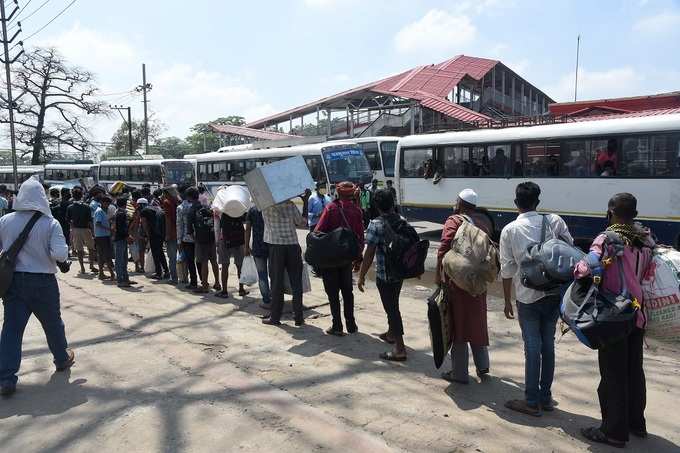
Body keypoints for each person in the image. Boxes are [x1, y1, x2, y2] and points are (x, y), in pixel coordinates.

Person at [576, 193, 654, 448]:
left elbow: (586, 268)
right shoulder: (645, 237)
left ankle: (613, 432)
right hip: (638, 312)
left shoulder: (607, 238)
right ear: (635, 214)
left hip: (615, 316)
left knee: (613, 375)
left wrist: (576, 268)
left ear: (610, 212)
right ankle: (635, 424)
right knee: (634, 371)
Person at [499, 182, 573, 416]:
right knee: (548, 345)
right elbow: (569, 248)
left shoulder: (510, 230)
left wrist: (507, 300)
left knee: (532, 347)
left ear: (515, 203)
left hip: (527, 296)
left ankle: (531, 401)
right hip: (553, 292)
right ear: (537, 202)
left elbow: (507, 270)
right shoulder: (554, 221)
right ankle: (545, 397)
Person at [0, 177, 74, 396]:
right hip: (43, 283)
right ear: (42, 197)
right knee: (53, 324)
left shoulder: (5, 221)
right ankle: (61, 359)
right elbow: (59, 254)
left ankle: (6, 378)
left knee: (12, 330)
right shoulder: (50, 223)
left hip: (14, 282)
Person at [436, 189, 493, 384]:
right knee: (477, 321)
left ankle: (459, 373)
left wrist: (439, 276)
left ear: (460, 203)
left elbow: (443, 249)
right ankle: (483, 366)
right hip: (478, 282)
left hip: (457, 283)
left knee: (458, 325)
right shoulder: (483, 222)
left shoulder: (454, 220)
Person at [358, 189, 408, 361]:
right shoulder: (402, 220)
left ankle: (400, 349)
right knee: (392, 304)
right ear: (392, 203)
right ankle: (391, 334)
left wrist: (361, 275)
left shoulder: (375, 224)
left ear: (377, 206)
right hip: (399, 272)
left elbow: (369, 253)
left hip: (384, 274)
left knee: (392, 309)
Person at [315, 181, 365, 336]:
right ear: (352, 194)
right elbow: (360, 238)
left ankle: (337, 325)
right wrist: (358, 259)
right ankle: (351, 325)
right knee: (347, 292)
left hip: (330, 259)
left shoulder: (330, 208)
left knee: (333, 293)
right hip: (346, 259)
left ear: (338, 193)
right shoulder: (357, 211)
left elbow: (318, 232)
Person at [261, 198, 307, 327]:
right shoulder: (290, 205)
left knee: (276, 283)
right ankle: (298, 316)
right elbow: (302, 223)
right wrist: (306, 201)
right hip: (292, 245)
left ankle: (275, 317)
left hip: (275, 247)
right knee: (296, 282)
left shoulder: (265, 206)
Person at [216, 211, 249, 299]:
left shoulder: (224, 213)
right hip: (238, 241)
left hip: (226, 241)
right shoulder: (239, 211)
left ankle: (224, 291)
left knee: (225, 266)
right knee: (239, 266)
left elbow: (220, 227)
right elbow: (244, 221)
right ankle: (241, 289)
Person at [188, 196, 217, 293]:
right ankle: (217, 283)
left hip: (201, 240)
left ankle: (204, 286)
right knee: (214, 261)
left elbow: (190, 230)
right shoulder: (209, 210)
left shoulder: (193, 211)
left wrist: (195, 240)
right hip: (212, 239)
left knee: (204, 262)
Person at [245, 205, 270, 309]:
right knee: (274, 274)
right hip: (272, 245)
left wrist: (246, 247)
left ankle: (266, 301)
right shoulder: (269, 207)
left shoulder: (252, 210)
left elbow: (248, 230)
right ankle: (276, 298)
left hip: (258, 247)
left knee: (262, 275)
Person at [66, 187, 97, 274]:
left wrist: (72, 229)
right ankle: (91, 265)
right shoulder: (86, 207)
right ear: (82, 195)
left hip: (75, 229)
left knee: (79, 249)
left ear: (73, 196)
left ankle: (82, 268)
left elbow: (68, 220)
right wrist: (93, 232)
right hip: (86, 229)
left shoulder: (70, 207)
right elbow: (90, 220)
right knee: (91, 248)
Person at [140, 198, 169, 280]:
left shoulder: (144, 211)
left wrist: (147, 235)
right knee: (160, 253)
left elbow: (144, 223)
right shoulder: (158, 209)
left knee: (155, 254)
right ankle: (166, 271)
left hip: (153, 234)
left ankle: (158, 273)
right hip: (161, 234)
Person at [177, 187, 199, 289]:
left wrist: (179, 240)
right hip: (199, 238)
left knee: (190, 261)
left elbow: (179, 225)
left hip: (187, 238)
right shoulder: (199, 206)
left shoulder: (181, 208)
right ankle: (203, 281)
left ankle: (193, 282)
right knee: (199, 260)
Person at [112, 197, 133, 287]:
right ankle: (120, 280)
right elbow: (121, 228)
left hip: (121, 238)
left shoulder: (118, 212)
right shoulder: (121, 214)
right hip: (120, 239)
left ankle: (125, 278)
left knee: (123, 260)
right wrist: (127, 236)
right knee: (120, 260)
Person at [94, 196, 116, 281]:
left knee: (101, 255)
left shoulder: (102, 211)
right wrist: (110, 229)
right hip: (102, 236)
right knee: (107, 255)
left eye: (108, 203)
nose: (107, 205)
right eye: (106, 203)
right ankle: (111, 274)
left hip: (101, 235)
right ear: (102, 203)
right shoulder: (99, 211)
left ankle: (101, 273)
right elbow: (98, 224)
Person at [161, 187, 179, 284]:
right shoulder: (177, 201)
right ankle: (184, 277)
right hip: (179, 232)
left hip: (171, 233)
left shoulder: (167, 202)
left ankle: (174, 278)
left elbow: (168, 219)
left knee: (172, 257)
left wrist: (167, 234)